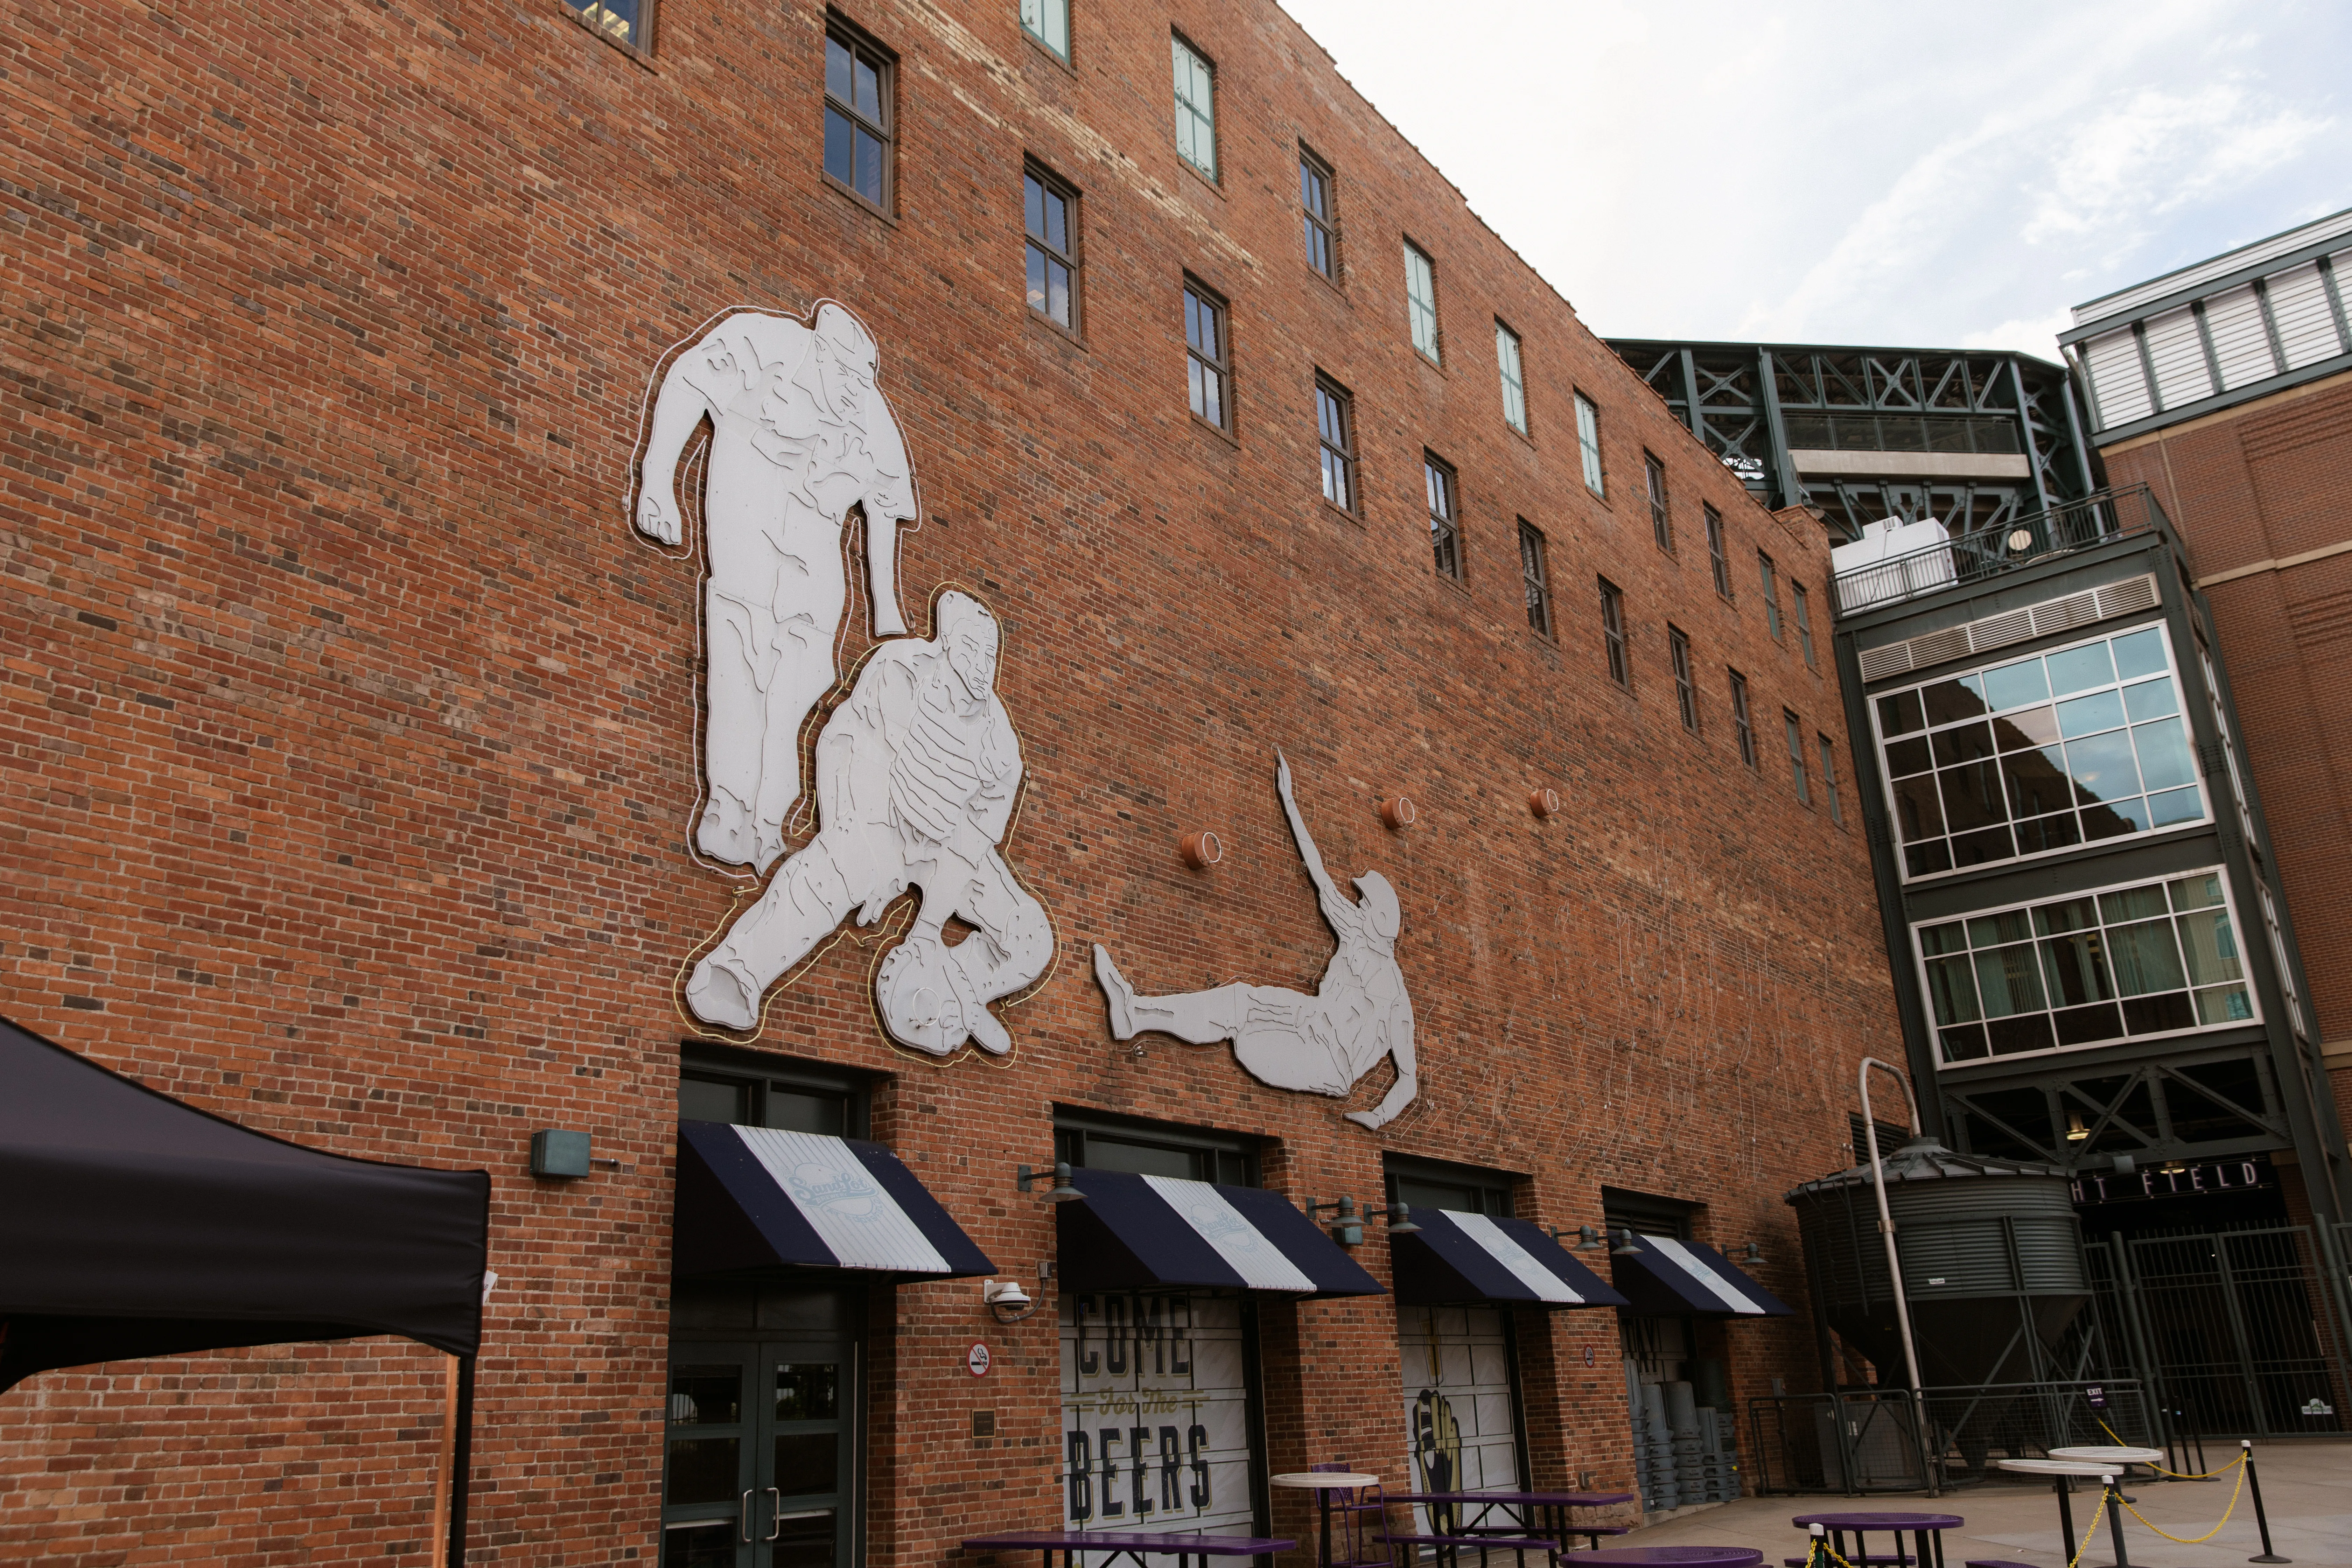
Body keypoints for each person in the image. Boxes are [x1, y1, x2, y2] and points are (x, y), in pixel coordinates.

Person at [685, 592, 1051, 1055]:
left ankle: (953, 989)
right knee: (832, 873)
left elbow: (972, 842)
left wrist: (927, 928)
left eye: (991, 655)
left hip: (947, 846)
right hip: (882, 808)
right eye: (971, 649)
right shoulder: (901, 668)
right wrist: (856, 837)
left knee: (1030, 936)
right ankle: (738, 972)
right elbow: (844, 747)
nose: (982, 666)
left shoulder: (1001, 747)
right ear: (945, 643)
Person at [634, 303, 918, 874]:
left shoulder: (867, 409)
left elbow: (885, 503)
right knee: (741, 673)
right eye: (845, 377)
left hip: (815, 581)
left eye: (862, 383)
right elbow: (689, 380)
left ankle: (767, 823)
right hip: (749, 554)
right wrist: (657, 483)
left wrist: (886, 603)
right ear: (821, 353)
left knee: (799, 691)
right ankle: (727, 807)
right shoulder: (759, 344)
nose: (852, 393)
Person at [1092, 752, 1418, 1129]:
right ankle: (1134, 1013)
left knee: (1246, 1034)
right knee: (1238, 999)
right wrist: (1290, 802)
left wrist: (1376, 1118)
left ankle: (1143, 1016)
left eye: (1363, 903)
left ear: (1378, 919)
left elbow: (1408, 1077)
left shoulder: (1395, 999)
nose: (1356, 906)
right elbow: (1319, 874)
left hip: (1328, 1061)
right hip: (1306, 1018)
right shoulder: (1356, 936)